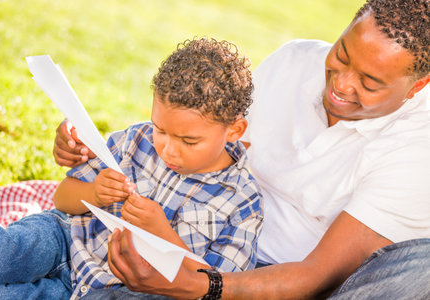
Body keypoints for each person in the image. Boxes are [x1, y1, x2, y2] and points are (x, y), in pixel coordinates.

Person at [54, 0, 430, 299]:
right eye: (343, 56)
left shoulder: (417, 149)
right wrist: (91, 151)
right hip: (193, 232)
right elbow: (208, 137)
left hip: (274, 279)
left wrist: (203, 286)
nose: (342, 84)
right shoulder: (295, 60)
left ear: (417, 86)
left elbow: (317, 277)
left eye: (369, 81)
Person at [0, 38, 263, 300]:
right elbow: (61, 198)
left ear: (234, 130)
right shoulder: (136, 140)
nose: (168, 149)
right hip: (66, 239)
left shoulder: (242, 201)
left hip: (120, 289)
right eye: (160, 129)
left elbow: (216, 286)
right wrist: (94, 193)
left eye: (189, 141)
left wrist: (162, 232)